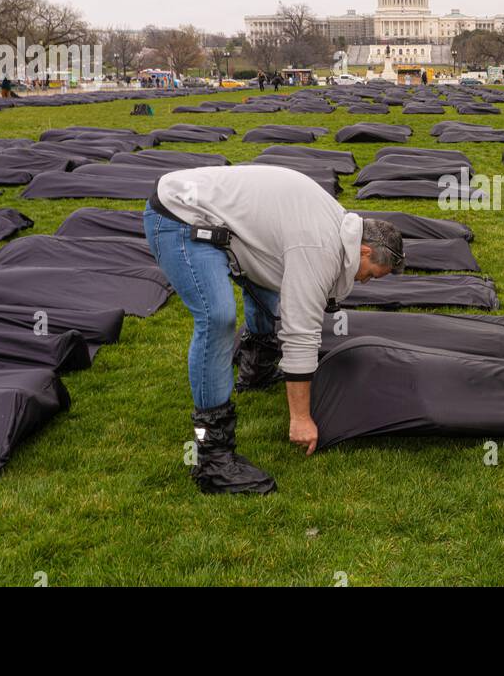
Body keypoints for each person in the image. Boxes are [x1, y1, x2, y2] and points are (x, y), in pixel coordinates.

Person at [145, 166, 405, 494]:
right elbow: (300, 331)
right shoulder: (319, 246)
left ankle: (257, 371)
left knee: (268, 286)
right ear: (364, 251)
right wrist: (300, 418)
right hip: (179, 216)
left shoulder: (336, 227)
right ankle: (211, 454)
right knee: (219, 319)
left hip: (220, 220)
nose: (366, 281)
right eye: (373, 274)